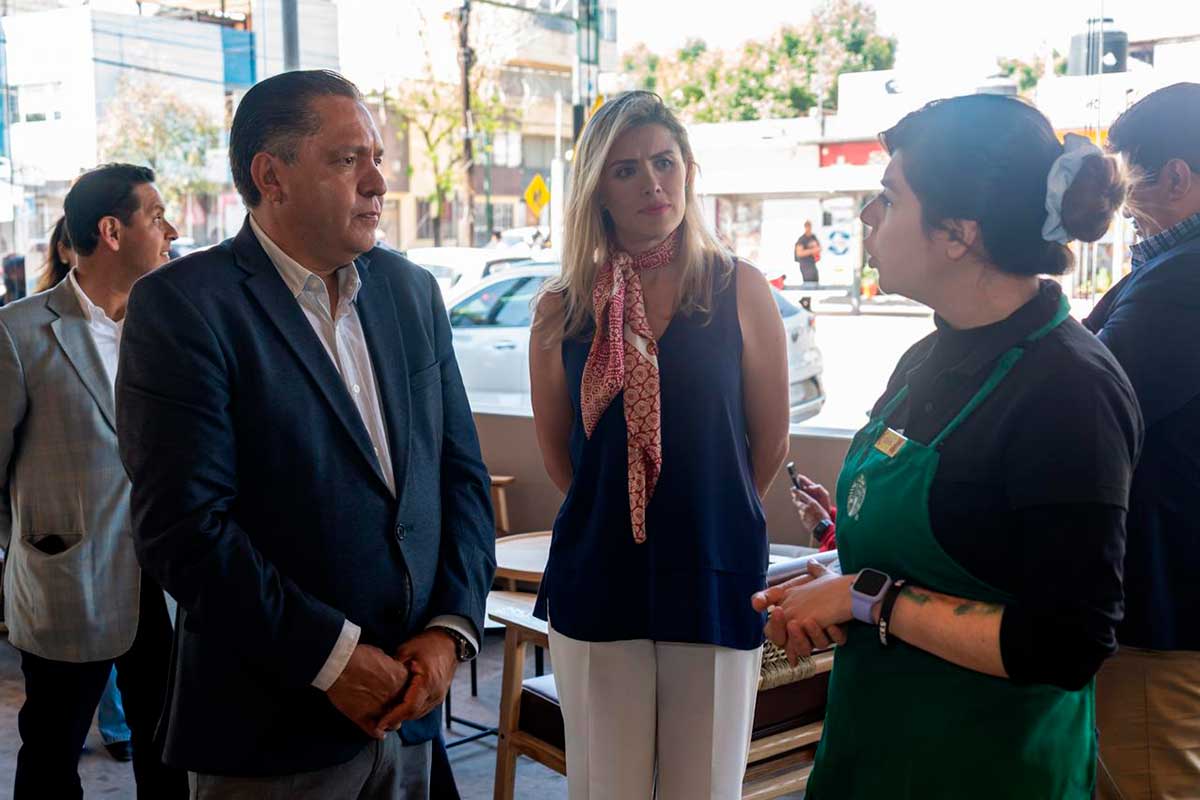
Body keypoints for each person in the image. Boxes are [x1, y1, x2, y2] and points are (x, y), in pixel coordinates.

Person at [115, 69, 495, 799]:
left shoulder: (412, 292)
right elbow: (184, 530)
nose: (378, 182)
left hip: (413, 710)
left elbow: (459, 475)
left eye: (376, 158)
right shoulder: (184, 307)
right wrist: (335, 659)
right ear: (272, 176)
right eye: (348, 159)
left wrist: (451, 630)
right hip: (271, 731)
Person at [754, 94, 1142, 799]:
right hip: (875, 749)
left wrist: (869, 598)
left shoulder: (1070, 392)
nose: (868, 216)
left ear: (958, 233)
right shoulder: (925, 359)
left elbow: (1067, 643)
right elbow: (964, 545)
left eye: (890, 197)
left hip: (989, 770)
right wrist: (833, 579)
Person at [529, 90, 790, 800]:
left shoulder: (738, 287)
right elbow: (561, 457)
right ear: (597, 191)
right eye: (626, 170)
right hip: (598, 570)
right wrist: (623, 518)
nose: (652, 183)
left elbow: (767, 441)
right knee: (605, 787)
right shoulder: (561, 307)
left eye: (664, 162)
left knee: (703, 787)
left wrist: (701, 513)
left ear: (688, 171)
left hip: (713, 566)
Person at [0, 163, 185, 799]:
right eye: (156, 216)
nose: (171, 230)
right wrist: (27, 551)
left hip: (167, 584)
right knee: (52, 757)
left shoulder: (170, 327)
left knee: (170, 754)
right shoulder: (18, 332)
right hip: (66, 584)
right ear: (111, 231)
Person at [1087, 82, 1200, 800]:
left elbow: (1091, 406)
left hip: (1165, 606)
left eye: (1128, 183)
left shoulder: (1181, 282)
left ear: (1177, 177)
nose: (1118, 205)